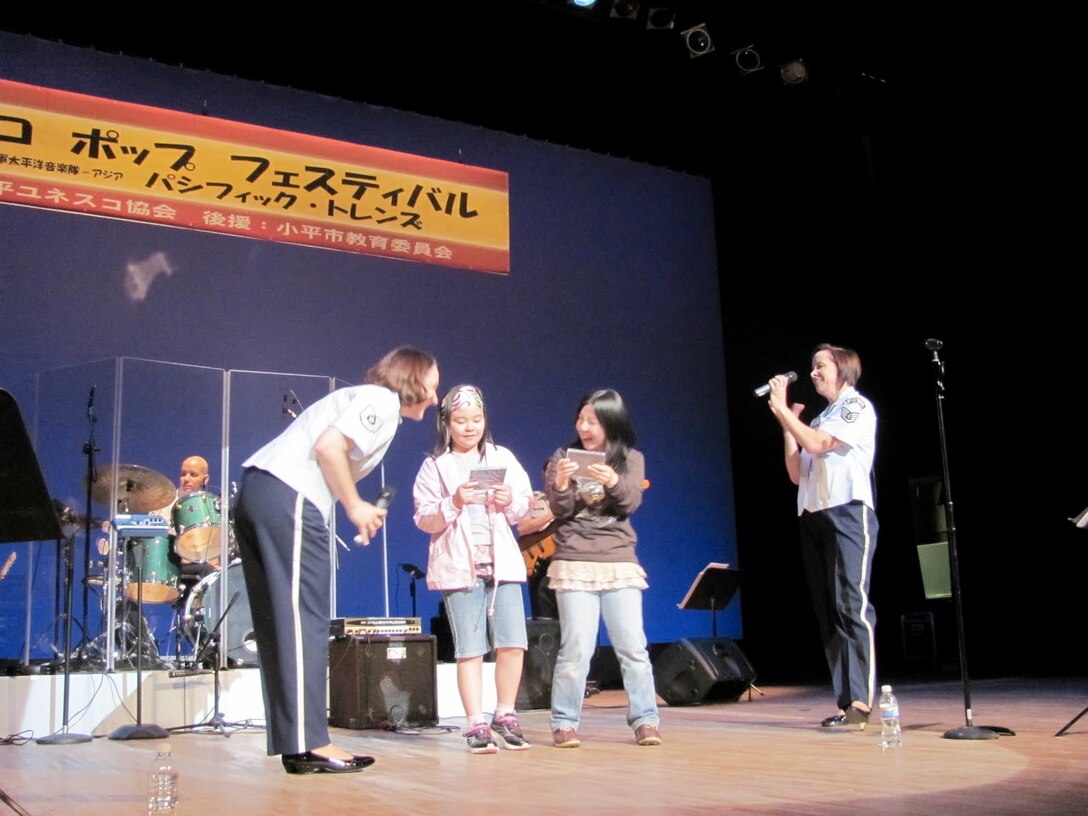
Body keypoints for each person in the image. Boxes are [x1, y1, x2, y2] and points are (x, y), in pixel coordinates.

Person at [232, 345, 439, 774]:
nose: (435, 398)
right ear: (412, 382)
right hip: (289, 497)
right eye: (432, 387)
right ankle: (313, 742)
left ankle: (299, 743)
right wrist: (355, 506)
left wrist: (354, 503)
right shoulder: (381, 400)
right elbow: (330, 448)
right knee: (304, 621)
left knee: (281, 625)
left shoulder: (364, 400)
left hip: (260, 492)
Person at [412, 384, 534, 753]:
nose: (470, 427)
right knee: (470, 648)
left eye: (477, 419)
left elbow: (525, 507)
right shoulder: (435, 465)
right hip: (461, 567)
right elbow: (423, 518)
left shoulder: (503, 457)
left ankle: (506, 714)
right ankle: (475, 723)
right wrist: (454, 501)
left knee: (513, 643)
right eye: (461, 420)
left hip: (503, 567)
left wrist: (511, 499)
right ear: (446, 423)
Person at [765, 343, 879, 729]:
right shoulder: (819, 418)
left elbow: (819, 445)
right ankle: (846, 701)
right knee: (828, 611)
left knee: (851, 605)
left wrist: (782, 408)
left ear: (842, 369)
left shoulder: (855, 406)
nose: (812, 373)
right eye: (811, 366)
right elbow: (797, 471)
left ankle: (861, 701)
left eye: (819, 366)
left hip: (847, 512)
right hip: (813, 516)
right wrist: (786, 425)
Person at [544, 388, 661, 748]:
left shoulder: (629, 458)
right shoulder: (561, 457)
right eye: (580, 419)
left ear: (611, 422)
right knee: (576, 648)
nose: (584, 426)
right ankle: (564, 722)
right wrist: (561, 484)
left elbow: (630, 502)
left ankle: (646, 719)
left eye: (592, 421)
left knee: (633, 647)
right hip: (575, 559)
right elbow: (559, 508)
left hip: (617, 560)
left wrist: (612, 480)